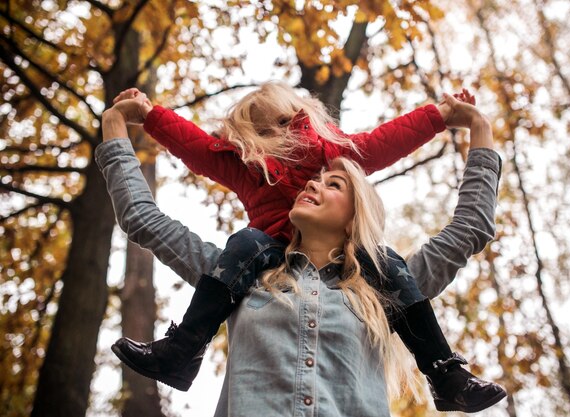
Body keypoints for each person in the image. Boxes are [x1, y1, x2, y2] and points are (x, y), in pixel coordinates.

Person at [97, 92, 506, 414]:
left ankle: (444, 372)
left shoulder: (385, 287)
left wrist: (477, 127)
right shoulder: (233, 276)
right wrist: (118, 123)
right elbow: (141, 217)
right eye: (313, 183)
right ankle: (183, 350)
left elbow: (469, 229)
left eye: (333, 185)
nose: (312, 184)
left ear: (354, 213)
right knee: (241, 241)